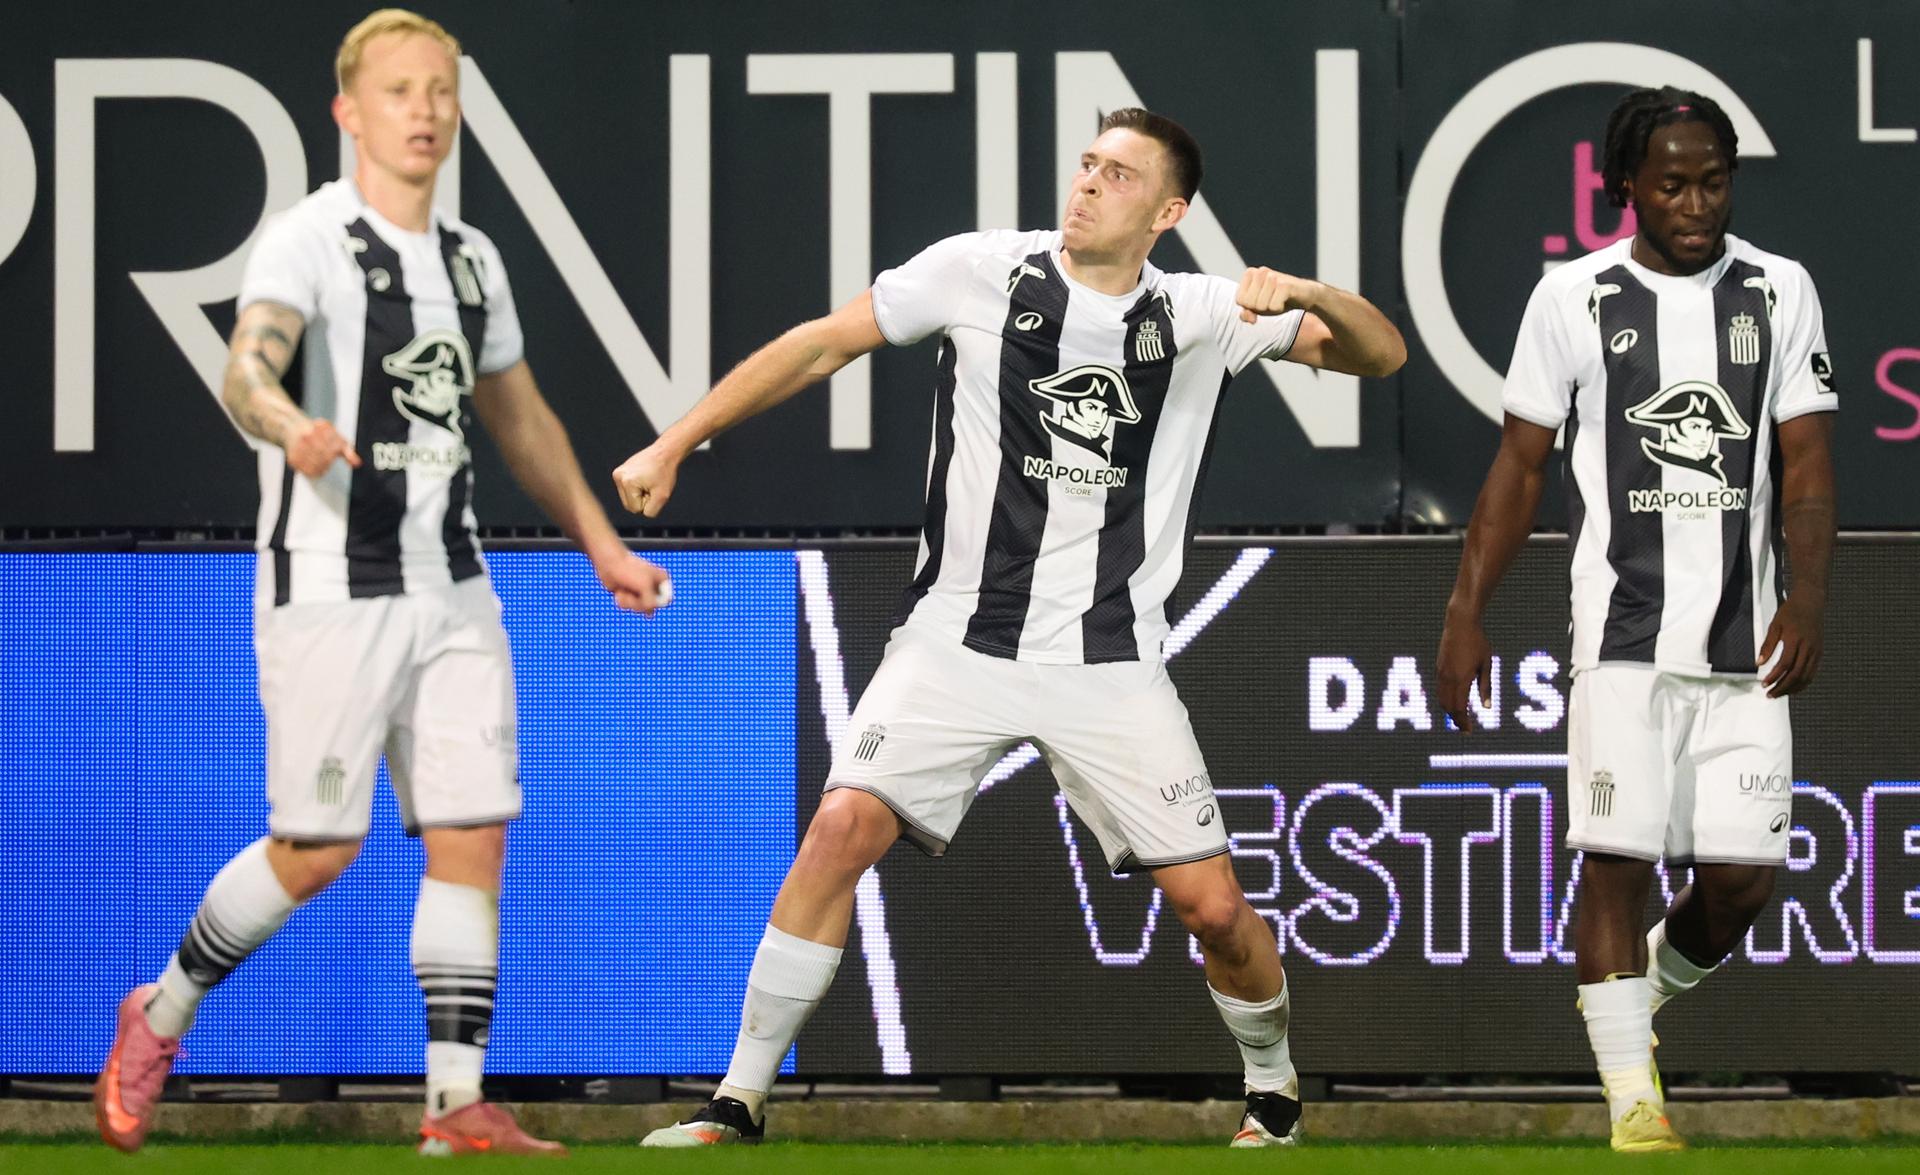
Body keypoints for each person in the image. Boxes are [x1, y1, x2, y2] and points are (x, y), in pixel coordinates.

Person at [613, 106, 1405, 1148]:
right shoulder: (978, 271)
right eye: (1086, 164)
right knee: (841, 826)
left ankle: (1273, 1083)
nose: (1086, 185)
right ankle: (737, 1096)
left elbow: (1380, 354)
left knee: (1214, 910)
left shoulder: (1205, 312)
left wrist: (1301, 292)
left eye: (1118, 176)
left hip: (1111, 661)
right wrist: (677, 441)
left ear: (1168, 211)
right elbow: (818, 348)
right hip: (956, 640)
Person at [92, 8, 670, 1157]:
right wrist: (287, 421)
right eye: (401, 91)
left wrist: (600, 542)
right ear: (349, 111)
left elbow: (519, 416)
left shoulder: (473, 259)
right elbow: (244, 362)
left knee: (475, 833)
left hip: (454, 583)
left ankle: (456, 1106)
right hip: (330, 581)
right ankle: (159, 1009)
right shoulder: (309, 239)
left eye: (441, 91)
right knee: (320, 847)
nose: (426, 111)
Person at [1436, 87, 1836, 1153]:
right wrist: (1465, 611)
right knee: (1614, 858)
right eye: (1673, 182)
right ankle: (1635, 1102)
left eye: (1713, 180)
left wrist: (1807, 592)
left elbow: (1805, 466)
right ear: (1628, 187)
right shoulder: (1572, 298)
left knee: (1746, 881)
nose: (1697, 201)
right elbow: (1518, 468)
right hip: (1620, 645)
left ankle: (1625, 998)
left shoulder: (1780, 290)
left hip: (1745, 649)